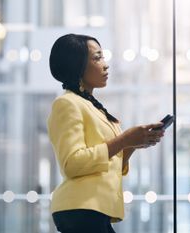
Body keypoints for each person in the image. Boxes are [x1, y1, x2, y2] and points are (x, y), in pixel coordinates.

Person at [47, 33, 165, 233]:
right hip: (81, 208)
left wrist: (133, 144)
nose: (105, 64)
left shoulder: (91, 106)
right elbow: (72, 164)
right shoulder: (66, 103)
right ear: (77, 65)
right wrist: (124, 139)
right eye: (97, 57)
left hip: (93, 209)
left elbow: (109, 165)